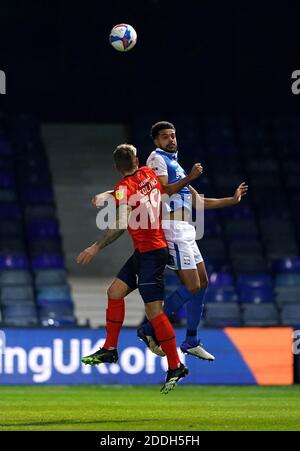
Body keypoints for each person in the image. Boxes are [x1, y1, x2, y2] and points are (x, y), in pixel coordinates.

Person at [92, 122, 248, 361]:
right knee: (193, 285)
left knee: (202, 282)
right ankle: (150, 327)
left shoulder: (176, 164)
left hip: (187, 229)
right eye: (165, 137)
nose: (171, 140)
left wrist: (232, 200)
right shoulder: (157, 160)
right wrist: (110, 193)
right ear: (156, 141)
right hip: (171, 228)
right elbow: (161, 190)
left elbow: (197, 202)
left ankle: (192, 339)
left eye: (173, 136)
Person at [77, 143, 203, 393]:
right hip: (147, 251)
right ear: (136, 160)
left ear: (116, 167)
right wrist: (109, 194)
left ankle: (175, 365)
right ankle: (110, 349)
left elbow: (122, 222)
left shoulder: (126, 186)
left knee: (155, 312)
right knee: (114, 292)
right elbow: (140, 190)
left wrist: (95, 247)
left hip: (152, 255)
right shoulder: (147, 173)